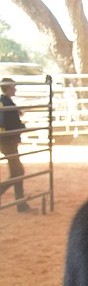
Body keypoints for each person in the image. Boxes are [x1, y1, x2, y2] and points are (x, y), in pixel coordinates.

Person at [0, 78, 34, 213]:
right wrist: (21, 126)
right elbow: (10, 123)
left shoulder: (4, 101)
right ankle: (21, 205)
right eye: (13, 86)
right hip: (8, 141)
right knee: (18, 172)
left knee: (16, 172)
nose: (15, 88)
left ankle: (21, 204)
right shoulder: (6, 103)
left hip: (6, 140)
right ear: (8, 88)